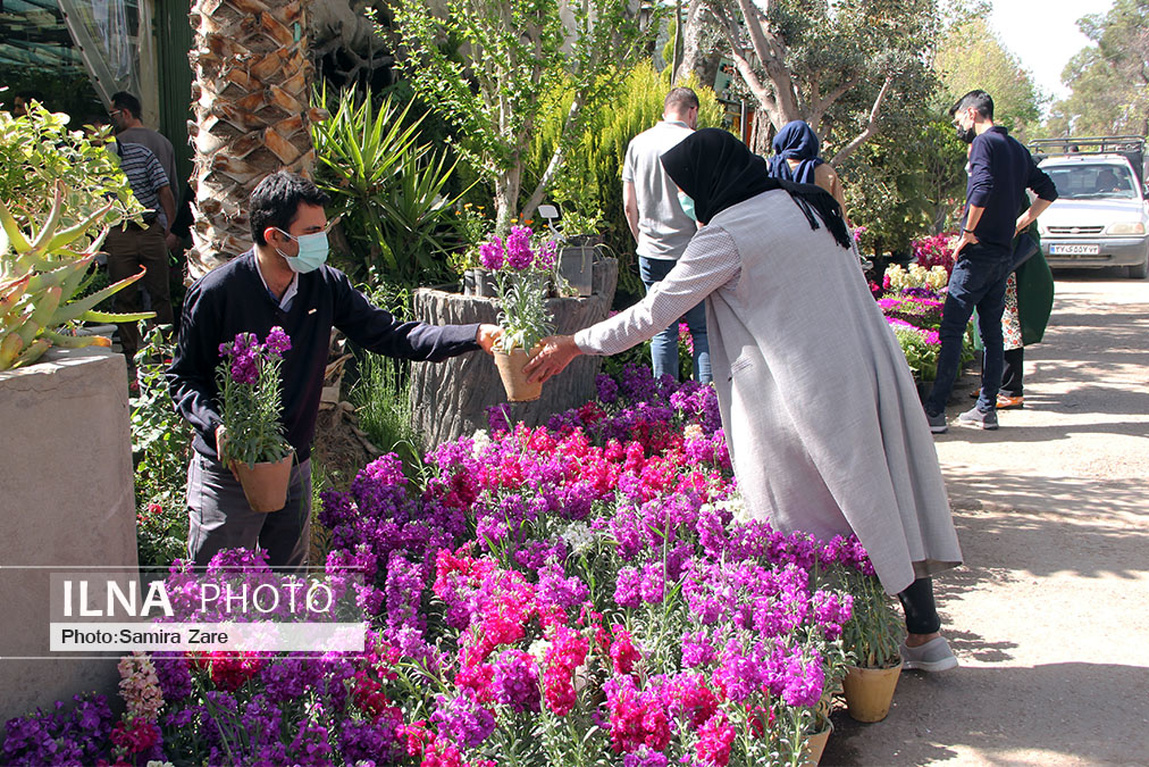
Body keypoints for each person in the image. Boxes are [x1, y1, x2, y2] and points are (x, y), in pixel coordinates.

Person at [525, 129, 964, 671]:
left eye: (685, 188)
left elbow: (654, 313)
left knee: (804, 513)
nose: (685, 201)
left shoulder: (729, 235)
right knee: (880, 491)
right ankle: (924, 633)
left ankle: (819, 655)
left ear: (710, 181)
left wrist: (575, 343)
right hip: (867, 366)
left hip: (809, 387)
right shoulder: (802, 202)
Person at [168, 172, 500, 569]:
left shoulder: (324, 285)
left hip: (293, 466)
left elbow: (392, 335)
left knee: (285, 584)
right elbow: (184, 379)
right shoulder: (217, 293)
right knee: (216, 586)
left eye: (322, 229)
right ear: (275, 237)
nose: (321, 240)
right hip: (231, 471)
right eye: (311, 231)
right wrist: (218, 427)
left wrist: (474, 334)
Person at [923, 90, 1057, 433]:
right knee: (992, 331)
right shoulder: (1014, 147)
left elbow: (980, 188)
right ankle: (986, 410)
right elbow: (1048, 190)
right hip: (1003, 254)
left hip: (979, 252)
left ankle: (935, 412)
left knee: (952, 331)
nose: (959, 128)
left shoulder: (984, 144)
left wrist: (967, 231)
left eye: (958, 121)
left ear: (971, 114)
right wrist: (1019, 224)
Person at [622, 86, 711, 384]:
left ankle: (665, 405)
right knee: (702, 329)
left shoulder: (638, 143)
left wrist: (641, 241)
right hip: (691, 250)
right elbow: (704, 203)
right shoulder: (696, 142)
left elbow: (628, 205)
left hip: (651, 250)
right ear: (692, 111)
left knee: (662, 328)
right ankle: (705, 400)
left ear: (665, 110)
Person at [89, 114, 178, 366]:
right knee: (124, 295)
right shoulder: (92, 165)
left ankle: (164, 351)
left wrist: (168, 226)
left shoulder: (140, 153)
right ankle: (130, 354)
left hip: (149, 227)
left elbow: (163, 189)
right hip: (118, 233)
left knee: (159, 292)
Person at [110, 91, 182, 250]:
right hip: (163, 224)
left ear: (125, 113)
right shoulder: (163, 142)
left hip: (130, 228)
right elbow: (172, 189)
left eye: (113, 114)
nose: (111, 120)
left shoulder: (117, 146)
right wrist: (173, 227)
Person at [767, 119, 848, 220]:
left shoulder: (768, 167)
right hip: (815, 230)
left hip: (774, 228)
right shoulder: (826, 172)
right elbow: (839, 211)